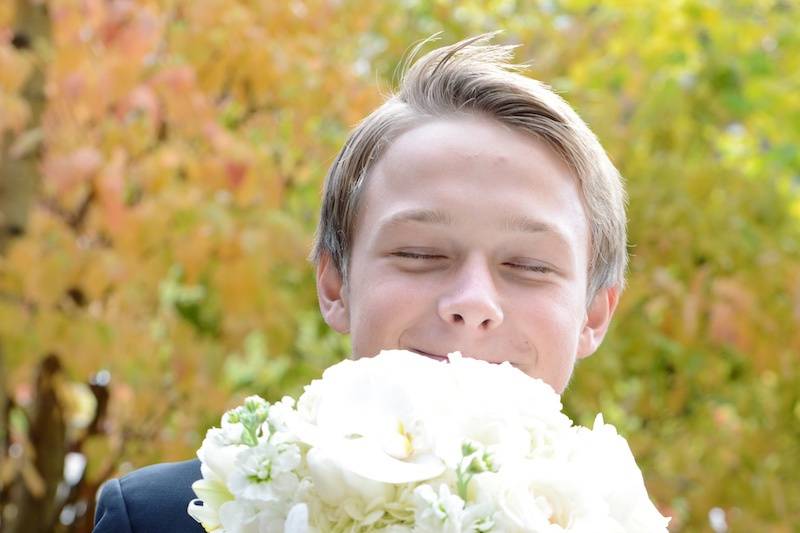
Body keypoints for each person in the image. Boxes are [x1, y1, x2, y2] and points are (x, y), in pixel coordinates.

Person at [92, 33, 625, 533]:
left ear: (593, 314)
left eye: (530, 266)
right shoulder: (162, 518)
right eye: (419, 254)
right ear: (335, 285)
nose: (472, 303)